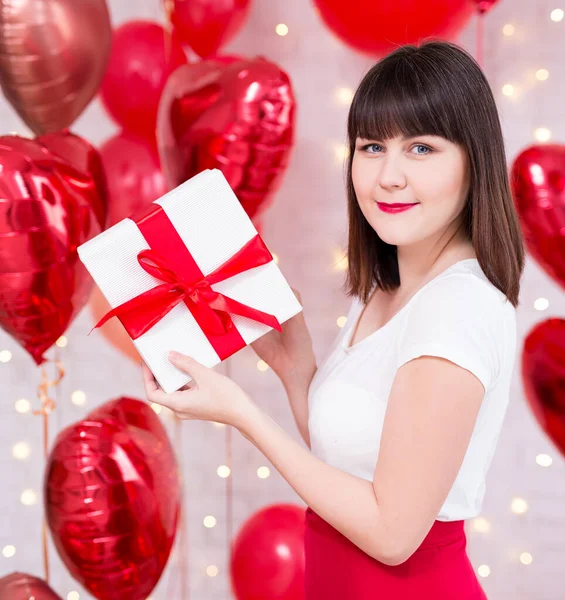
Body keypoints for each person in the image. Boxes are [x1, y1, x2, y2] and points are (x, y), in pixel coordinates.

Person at [142, 39, 525, 599]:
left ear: (475, 159)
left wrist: (244, 416)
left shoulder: (456, 308)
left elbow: (393, 534)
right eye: (372, 147)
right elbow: (356, 468)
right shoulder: (387, 286)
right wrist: (297, 372)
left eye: (421, 149)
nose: (388, 176)